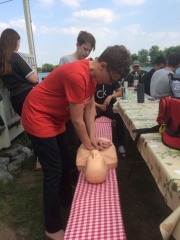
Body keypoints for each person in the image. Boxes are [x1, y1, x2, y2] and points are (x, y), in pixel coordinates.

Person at [21, 45, 131, 240]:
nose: (111, 82)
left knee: (65, 161)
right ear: (103, 65)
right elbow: (77, 119)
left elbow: (89, 108)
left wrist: (93, 137)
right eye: (112, 78)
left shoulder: (93, 75)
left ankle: (65, 200)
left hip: (55, 118)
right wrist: (88, 145)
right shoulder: (76, 75)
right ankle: (52, 227)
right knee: (53, 169)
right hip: (38, 115)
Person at [0, 28, 41, 171]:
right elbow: (34, 78)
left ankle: (38, 158)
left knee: (30, 128)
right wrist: (33, 69)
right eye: (18, 41)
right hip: (28, 96)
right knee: (39, 127)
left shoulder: (2, 60)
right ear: (13, 41)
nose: (19, 44)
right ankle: (40, 160)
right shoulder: (16, 56)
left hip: (15, 99)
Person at [59, 30, 96, 186]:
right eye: (84, 49)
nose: (86, 53)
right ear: (77, 45)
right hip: (69, 110)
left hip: (80, 108)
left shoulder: (88, 64)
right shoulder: (66, 60)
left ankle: (82, 166)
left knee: (80, 138)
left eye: (89, 51)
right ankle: (72, 172)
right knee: (72, 142)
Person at [95, 81, 126, 157]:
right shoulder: (93, 79)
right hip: (95, 105)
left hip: (109, 106)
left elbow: (120, 92)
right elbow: (87, 97)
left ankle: (120, 144)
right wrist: (99, 106)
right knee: (88, 117)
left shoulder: (110, 78)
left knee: (119, 117)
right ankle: (88, 142)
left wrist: (111, 96)